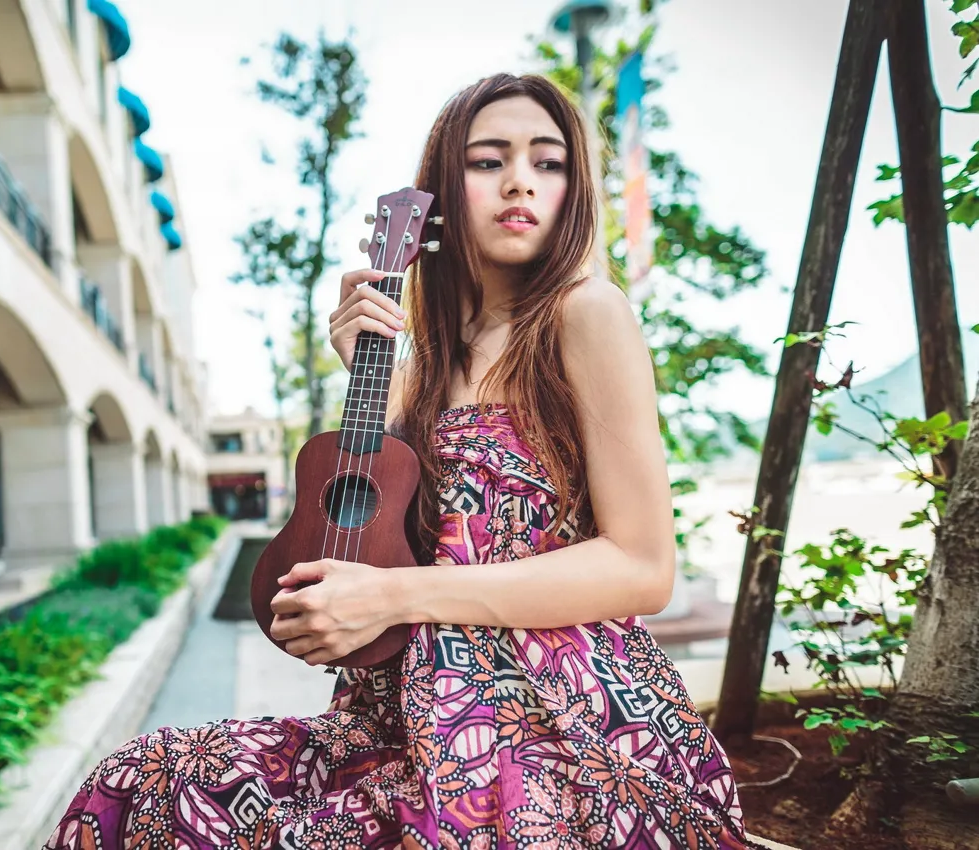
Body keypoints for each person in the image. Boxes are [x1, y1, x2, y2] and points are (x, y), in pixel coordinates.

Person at [44, 73, 756, 849]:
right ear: (442, 192)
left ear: (572, 189)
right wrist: (368, 381)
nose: (520, 177)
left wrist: (393, 598)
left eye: (547, 162)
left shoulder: (584, 314)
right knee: (140, 780)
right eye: (489, 160)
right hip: (399, 716)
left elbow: (644, 568)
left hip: (554, 715)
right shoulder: (416, 369)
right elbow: (367, 549)